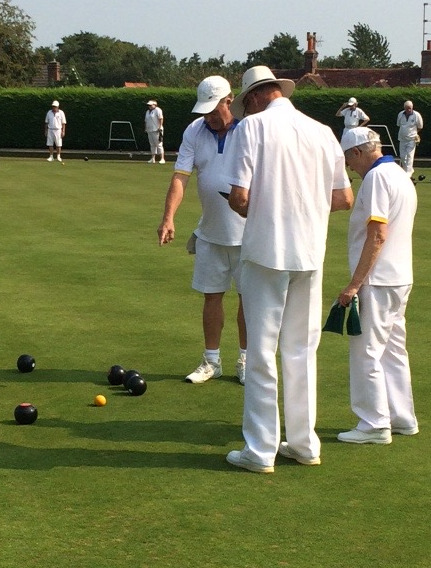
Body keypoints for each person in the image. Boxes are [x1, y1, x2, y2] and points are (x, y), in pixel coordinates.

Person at [224, 65, 353, 473]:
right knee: (301, 350)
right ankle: (303, 443)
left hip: (266, 250)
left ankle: (260, 450)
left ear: (256, 97)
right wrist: (306, 209)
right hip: (310, 253)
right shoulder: (321, 131)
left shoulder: (251, 129)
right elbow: (344, 197)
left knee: (262, 352)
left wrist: (268, 212)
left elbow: (239, 197)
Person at [157, 76, 247, 385]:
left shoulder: (250, 128)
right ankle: (212, 361)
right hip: (210, 232)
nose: (209, 116)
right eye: (204, 111)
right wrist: (169, 217)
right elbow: (181, 177)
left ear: (229, 100)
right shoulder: (194, 131)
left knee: (248, 299)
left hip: (249, 234)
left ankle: (246, 359)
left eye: (214, 109)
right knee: (211, 297)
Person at [337, 127, 418, 445]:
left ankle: (374, 423)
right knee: (394, 350)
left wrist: (355, 284)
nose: (348, 167)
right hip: (399, 276)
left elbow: (377, 234)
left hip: (379, 279)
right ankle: (401, 417)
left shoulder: (376, 178)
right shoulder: (398, 174)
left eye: (347, 160)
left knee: (366, 350)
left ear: (357, 152)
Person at [396, 100, 423, 178]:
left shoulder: (417, 115)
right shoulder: (400, 114)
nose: (409, 110)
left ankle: (408, 174)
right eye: (407, 108)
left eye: (410, 108)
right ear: (404, 108)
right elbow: (398, 124)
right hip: (402, 139)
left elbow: (420, 126)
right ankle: (408, 170)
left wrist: (415, 134)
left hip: (412, 139)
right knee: (402, 156)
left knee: (409, 156)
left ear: (412, 107)